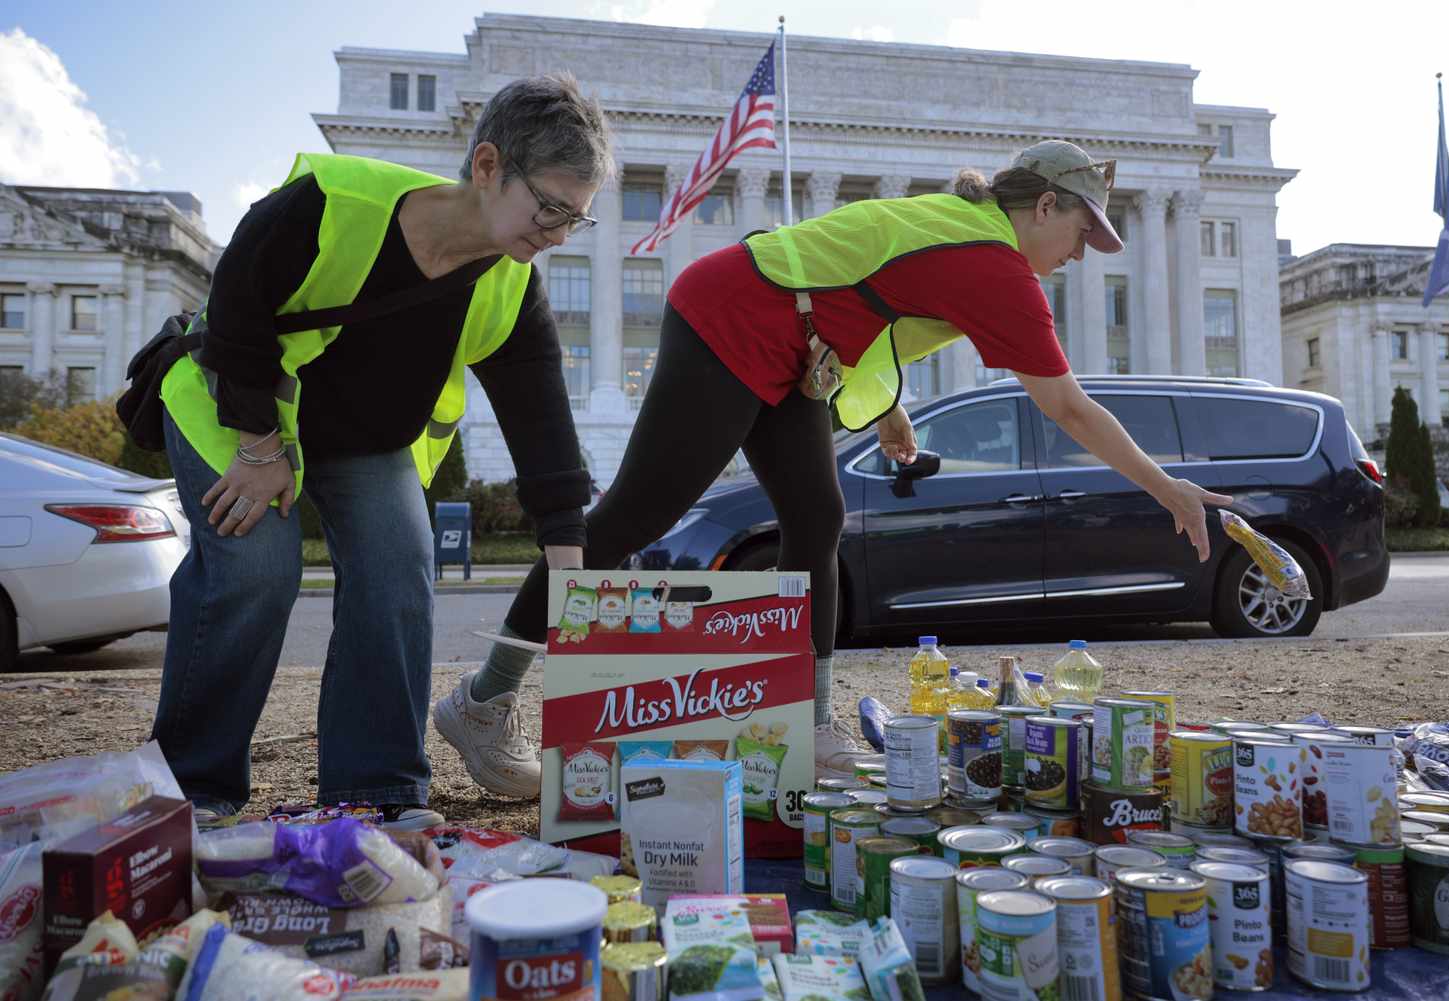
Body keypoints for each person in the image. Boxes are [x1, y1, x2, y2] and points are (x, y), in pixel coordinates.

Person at [437, 139, 1233, 792]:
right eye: (1083, 233)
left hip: (786, 340)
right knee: (633, 517)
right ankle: (482, 700)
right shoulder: (994, 261)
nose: (1083, 254)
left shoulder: (965, 229)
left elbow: (859, 284)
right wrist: (1166, 487)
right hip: (731, 313)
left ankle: (807, 725)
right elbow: (1069, 407)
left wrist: (885, 407)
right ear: (1046, 207)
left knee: (817, 516)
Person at [151, 75, 612, 830]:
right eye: (551, 208)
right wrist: (261, 446)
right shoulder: (330, 206)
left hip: (363, 439)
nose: (559, 234)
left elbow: (542, 424)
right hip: (239, 407)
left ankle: (376, 789)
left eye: (577, 218)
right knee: (256, 565)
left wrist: (569, 564)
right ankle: (192, 789)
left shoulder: (510, 286)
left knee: (399, 568)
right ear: (488, 165)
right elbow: (236, 307)